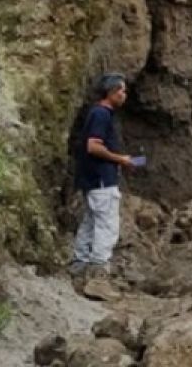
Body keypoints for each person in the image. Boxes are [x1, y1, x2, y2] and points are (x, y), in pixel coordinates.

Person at [71, 73, 139, 275]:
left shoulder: (96, 113)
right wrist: (121, 159)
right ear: (112, 92)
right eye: (122, 91)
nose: (124, 95)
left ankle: (79, 262)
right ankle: (98, 270)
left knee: (90, 222)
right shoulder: (101, 114)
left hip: (92, 180)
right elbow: (93, 146)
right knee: (107, 224)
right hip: (101, 181)